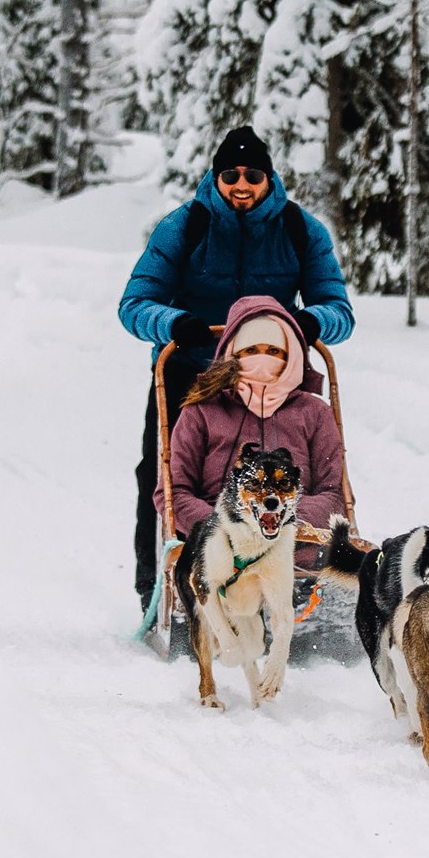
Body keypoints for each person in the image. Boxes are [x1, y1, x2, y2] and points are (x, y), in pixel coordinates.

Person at [122, 124, 354, 609]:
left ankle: (300, 569)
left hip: (273, 372)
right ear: (216, 178)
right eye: (230, 175)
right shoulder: (184, 227)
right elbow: (135, 304)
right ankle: (157, 584)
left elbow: (339, 310)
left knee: (293, 468)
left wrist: (311, 321)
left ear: (269, 178)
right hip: (194, 371)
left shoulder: (300, 230)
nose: (241, 184)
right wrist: (174, 322)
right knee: (165, 472)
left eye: (252, 175)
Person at [156, 296, 344, 549]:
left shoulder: (313, 413)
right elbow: (173, 493)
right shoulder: (202, 411)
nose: (262, 360)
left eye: (274, 351)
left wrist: (283, 523)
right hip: (217, 551)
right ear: (234, 355)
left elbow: (333, 494)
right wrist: (226, 528)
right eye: (251, 351)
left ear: (291, 356)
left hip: (297, 551)